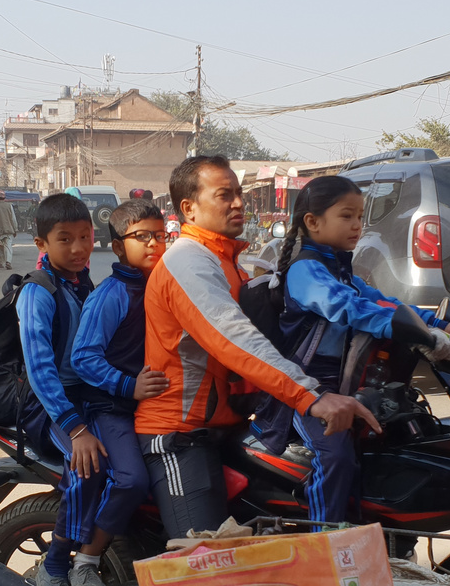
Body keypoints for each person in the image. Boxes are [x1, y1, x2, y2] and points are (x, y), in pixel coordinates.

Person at [133, 156, 379, 539]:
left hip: (226, 427)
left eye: (239, 193)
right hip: (180, 435)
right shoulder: (187, 262)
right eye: (224, 195)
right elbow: (235, 340)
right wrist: (309, 396)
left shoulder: (229, 261)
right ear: (188, 208)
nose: (238, 203)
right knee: (209, 560)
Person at [256, 176, 450, 523]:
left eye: (360, 217)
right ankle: (325, 537)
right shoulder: (306, 271)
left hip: (346, 385)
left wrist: (438, 323)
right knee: (336, 455)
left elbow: (383, 301)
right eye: (346, 216)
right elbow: (348, 308)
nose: (357, 225)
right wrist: (416, 331)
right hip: (304, 388)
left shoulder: (341, 272)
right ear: (313, 222)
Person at [38, 199, 172, 586]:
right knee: (126, 478)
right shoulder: (110, 294)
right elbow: (82, 358)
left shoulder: (156, 285)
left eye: (161, 235)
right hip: (102, 407)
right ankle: (79, 561)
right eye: (142, 237)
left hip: (144, 406)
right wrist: (127, 386)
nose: (154, 244)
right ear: (117, 247)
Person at [15, 193, 100, 586]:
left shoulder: (82, 283)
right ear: (41, 244)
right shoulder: (39, 292)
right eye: (65, 239)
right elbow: (40, 367)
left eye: (85, 237)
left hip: (91, 396)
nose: (79, 248)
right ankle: (53, 566)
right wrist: (76, 429)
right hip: (53, 406)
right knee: (88, 468)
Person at [0, 193, 18, 270]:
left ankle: (0, 262)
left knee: (0, 247)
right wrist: (15, 229)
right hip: (9, 230)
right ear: (4, 198)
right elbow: (13, 218)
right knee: (8, 246)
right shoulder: (9, 205)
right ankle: (8, 262)